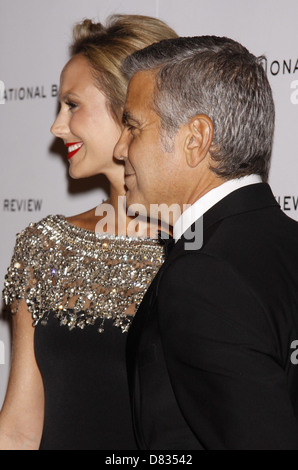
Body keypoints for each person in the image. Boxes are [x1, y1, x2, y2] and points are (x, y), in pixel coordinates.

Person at [0, 15, 177, 450]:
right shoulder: (45, 246)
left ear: (129, 105)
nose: (57, 127)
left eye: (72, 105)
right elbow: (20, 427)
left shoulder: (203, 244)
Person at [114, 36, 298, 450]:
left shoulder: (203, 274)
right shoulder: (285, 244)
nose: (119, 148)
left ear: (196, 139)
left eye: (133, 127)